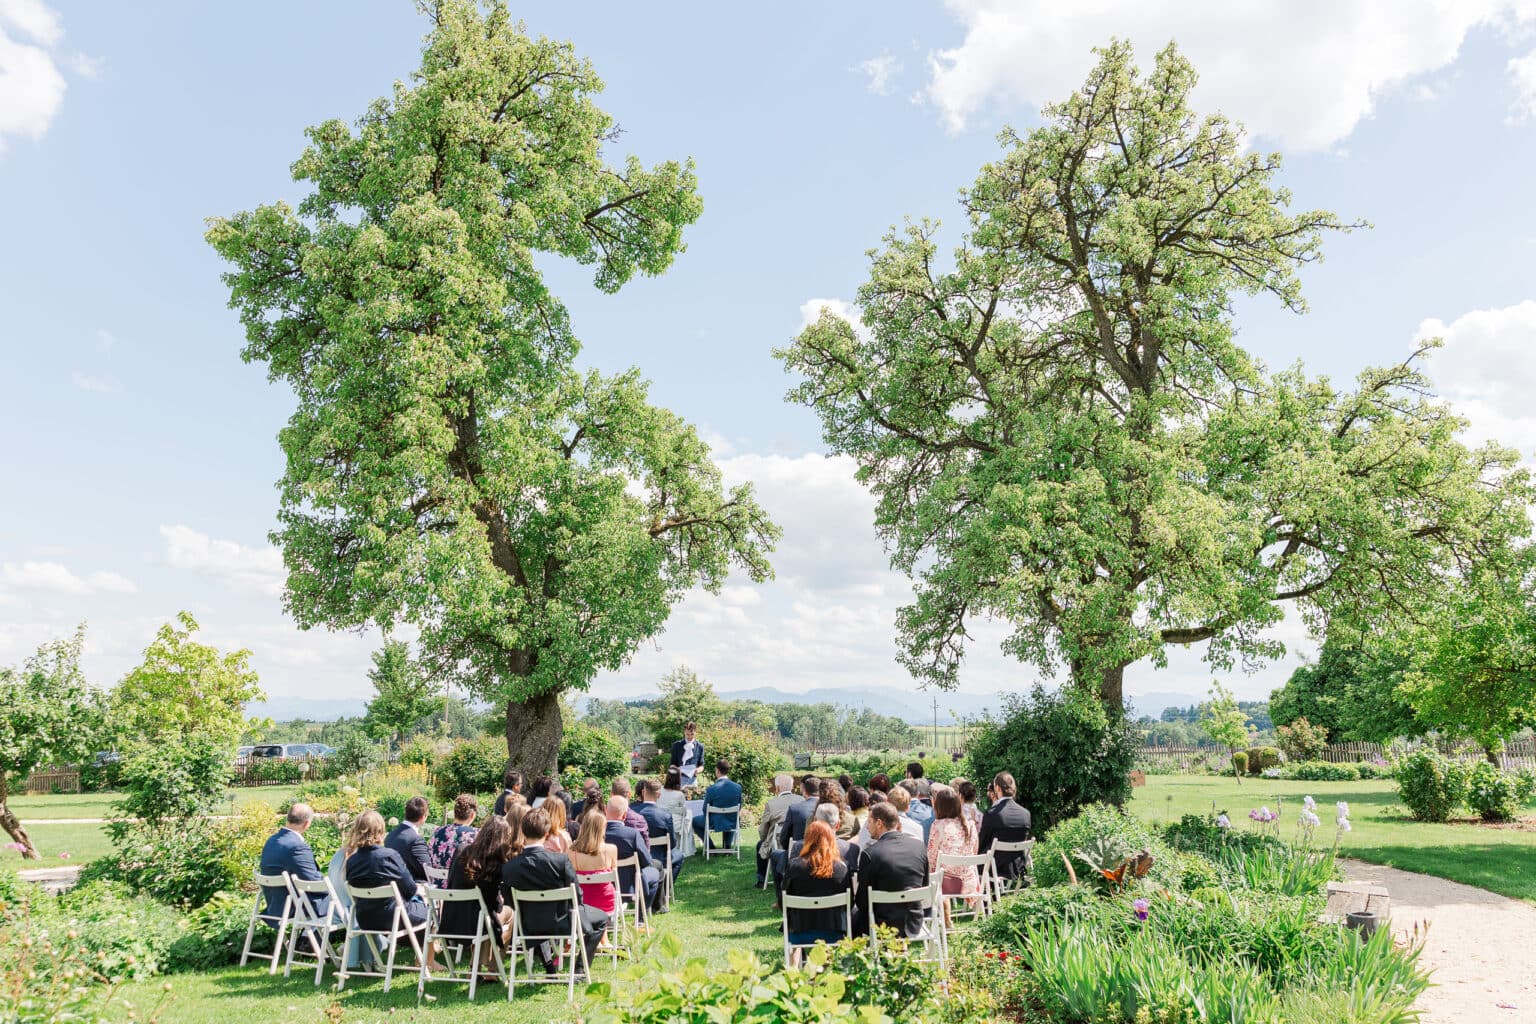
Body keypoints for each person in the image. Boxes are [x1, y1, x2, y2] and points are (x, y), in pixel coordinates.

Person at [503, 808, 609, 977]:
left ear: (523, 831)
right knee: (603, 919)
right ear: (547, 832)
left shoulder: (510, 867)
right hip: (564, 922)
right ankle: (580, 968)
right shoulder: (559, 861)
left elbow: (509, 901)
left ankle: (550, 967)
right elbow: (577, 895)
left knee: (537, 913)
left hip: (528, 924)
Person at [345, 809, 430, 936]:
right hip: (393, 917)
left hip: (365, 920)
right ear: (380, 830)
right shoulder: (389, 855)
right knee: (432, 910)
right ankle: (427, 954)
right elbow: (410, 890)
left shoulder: (351, 860)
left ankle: (422, 953)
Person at [442, 814, 515, 958]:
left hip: (451, 919)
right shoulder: (496, 862)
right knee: (509, 913)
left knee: (487, 917)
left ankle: (478, 966)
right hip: (476, 923)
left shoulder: (462, 850)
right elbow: (494, 905)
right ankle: (491, 967)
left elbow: (451, 881)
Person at [854, 803, 928, 939]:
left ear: (879, 823)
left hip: (881, 925)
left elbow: (862, 902)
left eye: (868, 822)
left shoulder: (870, 854)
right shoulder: (919, 846)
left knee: (853, 916)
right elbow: (924, 885)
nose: (866, 827)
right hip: (913, 922)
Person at [783, 821, 853, 958]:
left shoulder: (794, 866)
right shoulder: (842, 867)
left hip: (801, 931)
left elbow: (784, 900)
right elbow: (850, 902)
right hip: (834, 931)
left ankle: (793, 970)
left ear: (807, 839)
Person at [259, 802, 325, 921]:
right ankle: (308, 938)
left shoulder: (271, 841)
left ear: (287, 819)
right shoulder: (297, 846)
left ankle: (307, 938)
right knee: (344, 901)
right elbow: (313, 883)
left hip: (275, 906)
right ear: (307, 824)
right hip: (294, 906)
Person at [605, 795, 661, 915]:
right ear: (624, 815)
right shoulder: (632, 834)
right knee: (655, 872)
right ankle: (641, 916)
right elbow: (647, 861)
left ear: (605, 811)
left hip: (604, 885)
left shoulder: (597, 834)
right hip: (629, 886)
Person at [927, 786, 979, 914]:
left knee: (934, 872)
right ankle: (947, 918)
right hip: (970, 881)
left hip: (947, 885)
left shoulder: (937, 826)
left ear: (938, 806)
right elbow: (974, 852)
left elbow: (931, 858)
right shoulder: (970, 825)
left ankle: (944, 917)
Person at [978, 772, 1033, 883]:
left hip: (994, 868)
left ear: (997, 788)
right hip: (1018, 868)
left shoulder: (992, 814)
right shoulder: (1025, 814)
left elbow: (981, 843)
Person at [568, 808, 619, 918]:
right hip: (607, 906)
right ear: (602, 828)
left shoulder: (571, 851)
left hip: (582, 906)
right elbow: (615, 877)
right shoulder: (611, 849)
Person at [633, 778, 684, 886]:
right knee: (679, 855)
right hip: (660, 858)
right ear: (659, 795)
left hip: (638, 857)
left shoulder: (633, 813)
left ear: (643, 792)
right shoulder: (665, 815)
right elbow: (672, 843)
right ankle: (665, 888)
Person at [756, 773, 797, 890]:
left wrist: (764, 839)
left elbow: (763, 830)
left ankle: (761, 878)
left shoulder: (771, 804)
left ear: (777, 788)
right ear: (792, 787)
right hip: (799, 842)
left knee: (760, 844)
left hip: (778, 845)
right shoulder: (801, 800)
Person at [692, 759, 743, 852]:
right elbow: (739, 807)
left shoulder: (711, 789)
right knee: (732, 817)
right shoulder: (737, 787)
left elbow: (705, 810)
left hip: (714, 822)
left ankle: (710, 847)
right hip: (731, 821)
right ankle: (727, 846)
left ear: (718, 771)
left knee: (694, 821)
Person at [385, 796, 432, 882]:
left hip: (393, 886)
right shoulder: (415, 839)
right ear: (423, 817)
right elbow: (428, 871)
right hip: (413, 888)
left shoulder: (390, 835)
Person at [858, 785, 923, 846]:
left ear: (887, 802)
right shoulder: (918, 829)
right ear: (907, 808)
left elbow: (862, 845)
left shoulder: (874, 822)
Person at [429, 794, 480, 871]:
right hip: (459, 882)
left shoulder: (438, 831)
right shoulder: (476, 834)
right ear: (472, 815)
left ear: (454, 813)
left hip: (435, 881)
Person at [656, 767, 694, 858]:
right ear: (678, 779)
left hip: (659, 822)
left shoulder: (660, 791)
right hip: (675, 825)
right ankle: (684, 847)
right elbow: (683, 810)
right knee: (688, 815)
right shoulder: (679, 794)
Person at [609, 777, 651, 841]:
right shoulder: (640, 821)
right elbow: (645, 848)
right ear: (629, 794)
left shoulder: (601, 822)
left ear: (611, 795)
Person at [670, 721, 706, 787]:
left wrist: (697, 770)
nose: (689, 737)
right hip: (678, 779)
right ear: (684, 732)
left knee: (694, 797)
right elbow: (672, 764)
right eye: (687, 734)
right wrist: (677, 770)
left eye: (692, 734)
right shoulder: (676, 745)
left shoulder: (700, 746)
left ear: (695, 732)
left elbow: (702, 765)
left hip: (693, 780)